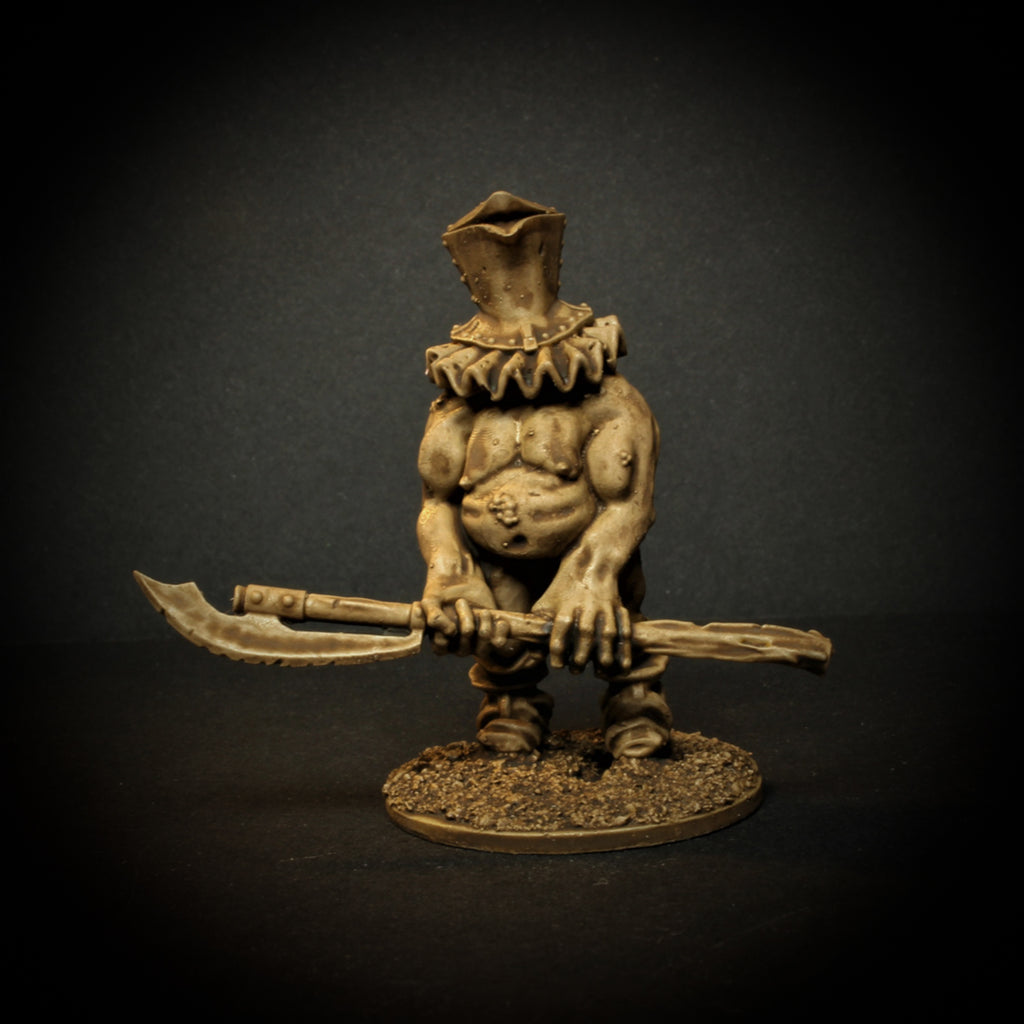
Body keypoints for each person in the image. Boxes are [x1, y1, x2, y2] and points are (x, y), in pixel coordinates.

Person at [415, 191, 672, 758]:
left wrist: (591, 572)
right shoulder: (458, 404)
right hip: (499, 562)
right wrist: (449, 568)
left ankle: (634, 705)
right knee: (499, 632)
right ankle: (512, 707)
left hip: (593, 552)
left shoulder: (607, 398)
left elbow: (630, 503)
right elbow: (437, 502)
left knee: (616, 626)